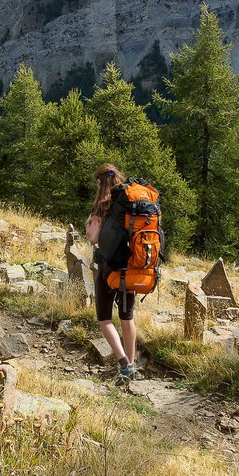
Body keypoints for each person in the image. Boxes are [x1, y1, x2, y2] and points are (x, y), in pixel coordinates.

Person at [87, 162, 137, 384]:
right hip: (131, 267)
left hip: (108, 268)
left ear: (100, 182)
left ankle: (124, 364)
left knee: (105, 319)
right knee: (127, 317)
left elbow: (93, 238)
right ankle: (133, 365)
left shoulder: (102, 206)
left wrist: (90, 221)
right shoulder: (130, 203)